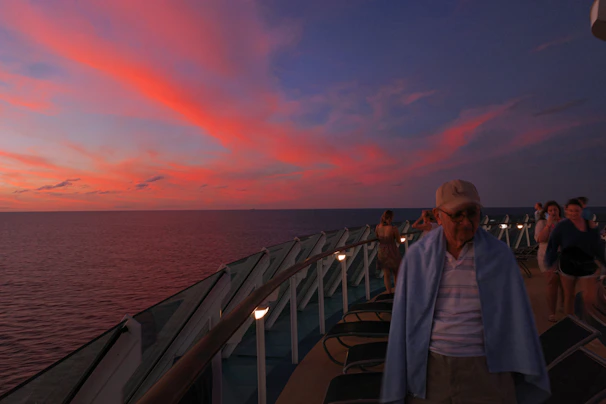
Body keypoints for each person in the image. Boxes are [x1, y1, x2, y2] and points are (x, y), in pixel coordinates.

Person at [381, 179, 549, 404]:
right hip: (433, 370)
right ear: (438, 216)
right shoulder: (418, 257)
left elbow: (519, 318)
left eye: (473, 213)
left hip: (489, 369)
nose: (466, 222)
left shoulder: (499, 256)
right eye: (457, 215)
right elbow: (403, 322)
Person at [545, 198, 606, 315]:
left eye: (576, 211)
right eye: (571, 211)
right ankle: (570, 321)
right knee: (569, 296)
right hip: (568, 264)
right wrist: (550, 263)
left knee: (589, 297)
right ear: (567, 211)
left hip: (587, 264)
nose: (573, 213)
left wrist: (604, 261)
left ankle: (588, 319)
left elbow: (597, 246)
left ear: (581, 211)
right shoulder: (562, 227)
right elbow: (552, 245)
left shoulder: (589, 226)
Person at [534, 200, 563, 322]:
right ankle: (552, 312)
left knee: (564, 283)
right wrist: (548, 225)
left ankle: (564, 307)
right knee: (552, 283)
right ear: (546, 212)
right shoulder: (542, 223)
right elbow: (540, 239)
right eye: (550, 210)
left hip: (563, 256)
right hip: (547, 256)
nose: (553, 212)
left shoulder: (563, 223)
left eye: (555, 210)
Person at [375, 210, 402, 294]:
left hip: (382, 251)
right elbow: (398, 240)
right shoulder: (393, 228)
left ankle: (389, 292)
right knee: (396, 272)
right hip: (392, 251)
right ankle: (397, 292)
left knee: (386, 274)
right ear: (391, 218)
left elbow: (377, 237)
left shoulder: (378, 227)